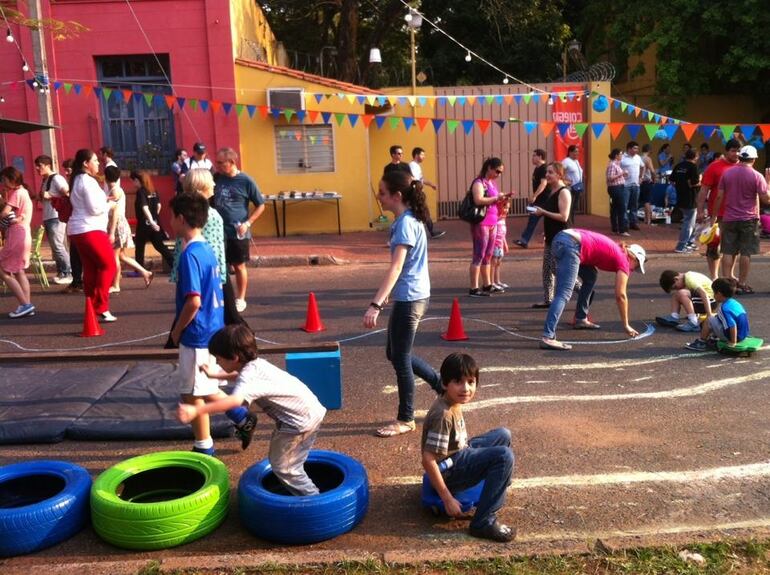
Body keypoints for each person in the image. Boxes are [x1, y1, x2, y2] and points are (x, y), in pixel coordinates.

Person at [178, 324, 326, 495]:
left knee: (284, 467)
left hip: (298, 423)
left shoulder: (249, 376)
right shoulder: (256, 364)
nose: (217, 362)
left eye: (218, 359)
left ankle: (313, 498)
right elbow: (238, 376)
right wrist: (215, 375)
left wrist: (197, 411)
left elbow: (234, 401)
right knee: (285, 460)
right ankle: (304, 482)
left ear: (233, 358)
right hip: (310, 411)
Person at [168, 193, 248, 456]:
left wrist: (176, 332)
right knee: (200, 389)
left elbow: (193, 301)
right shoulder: (207, 249)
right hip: (211, 329)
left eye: (172, 217)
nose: (170, 222)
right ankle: (241, 416)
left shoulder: (190, 254)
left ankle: (204, 448)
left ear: (181, 219)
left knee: (192, 395)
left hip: (197, 334)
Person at [363, 169, 442, 438]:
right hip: (412, 294)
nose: (379, 197)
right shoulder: (408, 220)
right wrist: (385, 298)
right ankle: (439, 384)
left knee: (400, 358)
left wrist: (375, 304)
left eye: (383, 193)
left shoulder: (407, 223)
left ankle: (406, 418)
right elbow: (402, 267)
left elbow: (396, 268)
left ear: (397, 196)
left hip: (411, 297)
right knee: (396, 354)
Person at [421, 352, 515, 542]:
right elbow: (428, 459)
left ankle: (499, 481)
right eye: (458, 381)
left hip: (459, 452)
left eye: (471, 382)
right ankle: (483, 522)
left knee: (503, 434)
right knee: (504, 456)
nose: (466, 388)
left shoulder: (451, 400)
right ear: (446, 383)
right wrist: (447, 498)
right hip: (451, 472)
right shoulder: (444, 415)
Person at [540, 229, 646, 351]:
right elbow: (621, 295)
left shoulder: (618, 250)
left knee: (590, 276)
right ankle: (548, 336)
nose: (632, 270)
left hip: (562, 238)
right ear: (633, 257)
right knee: (564, 293)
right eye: (636, 266)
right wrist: (626, 325)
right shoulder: (624, 260)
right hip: (571, 245)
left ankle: (581, 318)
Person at [171, 168, 246, 327]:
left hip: (210, 269)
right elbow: (192, 242)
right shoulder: (202, 212)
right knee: (227, 314)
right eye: (209, 181)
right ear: (201, 185)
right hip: (208, 270)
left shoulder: (202, 210)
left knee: (223, 313)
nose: (213, 184)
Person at [67, 149, 118, 322]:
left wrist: (105, 200)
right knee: (108, 266)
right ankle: (101, 306)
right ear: (85, 163)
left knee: (90, 268)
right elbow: (95, 209)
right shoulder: (87, 181)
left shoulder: (77, 180)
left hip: (79, 230)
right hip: (90, 228)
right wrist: (110, 203)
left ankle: (91, 303)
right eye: (95, 160)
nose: (98, 163)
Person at [213, 147, 265, 313]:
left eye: (221, 163)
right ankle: (221, 296)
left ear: (232, 162)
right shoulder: (218, 178)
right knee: (219, 265)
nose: (218, 165)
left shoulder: (246, 181)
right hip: (217, 231)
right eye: (217, 162)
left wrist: (248, 223)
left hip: (237, 231)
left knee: (239, 265)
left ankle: (241, 298)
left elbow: (261, 205)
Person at [712, 145, 770, 294]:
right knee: (746, 252)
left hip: (729, 217)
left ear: (740, 157)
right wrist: (768, 186)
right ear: (754, 159)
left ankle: (727, 284)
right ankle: (742, 283)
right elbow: (766, 199)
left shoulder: (727, 173)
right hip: (749, 219)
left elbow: (719, 196)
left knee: (728, 251)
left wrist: (714, 216)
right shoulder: (757, 176)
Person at [696, 139, 740, 279]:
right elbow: (703, 190)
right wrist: (700, 210)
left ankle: (730, 275)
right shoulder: (714, 167)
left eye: (738, 151)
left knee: (733, 248)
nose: (736, 154)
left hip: (737, 214)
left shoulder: (744, 167)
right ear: (727, 151)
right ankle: (714, 276)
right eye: (733, 150)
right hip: (717, 214)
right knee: (714, 246)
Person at [104, 166, 153, 293]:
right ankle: (145, 272)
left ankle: (116, 284)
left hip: (117, 224)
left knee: (115, 256)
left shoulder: (114, 191)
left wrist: (111, 232)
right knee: (121, 255)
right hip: (119, 223)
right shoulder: (115, 190)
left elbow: (114, 212)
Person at [531, 162, 572, 309]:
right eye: (547, 172)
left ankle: (583, 288)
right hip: (551, 236)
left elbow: (564, 217)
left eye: (550, 172)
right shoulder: (551, 191)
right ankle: (548, 299)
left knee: (557, 269)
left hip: (562, 238)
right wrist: (545, 230)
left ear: (559, 174)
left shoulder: (563, 192)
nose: (547, 175)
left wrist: (543, 212)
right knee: (547, 269)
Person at [468, 158, 510, 296]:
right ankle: (474, 288)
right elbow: (478, 200)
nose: (499, 174)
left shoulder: (492, 183)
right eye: (497, 171)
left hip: (493, 221)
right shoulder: (479, 182)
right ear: (489, 168)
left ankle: (487, 284)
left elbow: (493, 201)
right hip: (481, 223)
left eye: (501, 172)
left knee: (488, 255)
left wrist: (502, 200)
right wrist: (496, 198)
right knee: (479, 254)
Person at [0, 167, 35, 318]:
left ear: (11, 179)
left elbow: (5, 212)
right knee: (19, 271)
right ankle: (26, 304)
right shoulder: (24, 192)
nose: (3, 183)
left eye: (4, 180)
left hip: (16, 235)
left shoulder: (16, 193)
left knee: (4, 270)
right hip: (24, 234)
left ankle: (25, 304)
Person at [33, 155, 72, 284]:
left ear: (48, 165)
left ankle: (68, 273)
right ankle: (61, 272)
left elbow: (66, 193)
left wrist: (51, 195)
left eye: (40, 166)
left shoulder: (56, 178)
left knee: (58, 246)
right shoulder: (45, 180)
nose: (38, 168)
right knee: (55, 247)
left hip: (56, 216)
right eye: (37, 166)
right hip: (49, 216)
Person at [685, 278, 749, 352]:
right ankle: (713, 339)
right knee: (717, 317)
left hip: (734, 337)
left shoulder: (724, 309)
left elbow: (732, 325)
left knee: (709, 319)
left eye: (713, 293)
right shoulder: (735, 303)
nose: (713, 295)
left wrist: (733, 342)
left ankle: (701, 343)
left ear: (719, 294)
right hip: (743, 334)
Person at [131, 170, 174, 271]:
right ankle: (174, 264)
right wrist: (154, 219)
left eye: (134, 180)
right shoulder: (153, 190)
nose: (133, 183)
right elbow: (159, 206)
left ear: (138, 180)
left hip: (144, 224)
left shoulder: (141, 191)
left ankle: (139, 269)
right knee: (160, 246)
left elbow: (144, 207)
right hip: (154, 223)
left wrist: (150, 220)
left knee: (140, 246)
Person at [408, 147, 445, 239]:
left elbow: (421, 180)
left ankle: (426, 232)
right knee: (424, 212)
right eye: (422, 154)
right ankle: (431, 232)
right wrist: (418, 192)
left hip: (418, 192)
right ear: (416, 155)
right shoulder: (413, 165)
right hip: (416, 193)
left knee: (420, 212)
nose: (424, 157)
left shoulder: (416, 166)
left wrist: (431, 184)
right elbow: (415, 180)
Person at [515, 149, 547, 248]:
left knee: (546, 221)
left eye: (534, 156)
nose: (532, 158)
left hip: (545, 200)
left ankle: (525, 240)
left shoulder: (544, 168)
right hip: (538, 200)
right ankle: (524, 240)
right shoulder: (537, 168)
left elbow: (543, 184)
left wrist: (534, 196)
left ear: (540, 157)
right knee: (532, 219)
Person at [60, 159, 83, 293]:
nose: (67, 173)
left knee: (76, 254)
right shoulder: (74, 182)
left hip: (80, 225)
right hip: (75, 224)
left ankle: (78, 282)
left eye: (68, 170)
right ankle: (77, 281)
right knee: (75, 254)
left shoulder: (79, 183)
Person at [671, 149, 700, 253]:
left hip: (680, 197)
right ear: (696, 157)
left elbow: (672, 180)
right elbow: (693, 183)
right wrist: (701, 181)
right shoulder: (693, 167)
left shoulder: (679, 166)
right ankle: (681, 246)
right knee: (688, 223)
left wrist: (680, 186)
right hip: (690, 198)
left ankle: (689, 243)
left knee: (691, 222)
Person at [620, 141, 645, 231]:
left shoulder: (638, 158)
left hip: (636, 184)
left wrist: (641, 177)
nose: (637, 150)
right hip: (625, 185)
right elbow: (616, 167)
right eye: (635, 148)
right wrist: (621, 174)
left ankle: (633, 222)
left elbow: (643, 166)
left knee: (634, 205)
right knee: (625, 205)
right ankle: (625, 224)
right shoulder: (622, 157)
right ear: (629, 149)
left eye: (637, 148)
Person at [606, 148, 628, 236]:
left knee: (615, 208)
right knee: (621, 208)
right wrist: (622, 173)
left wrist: (623, 175)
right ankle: (621, 230)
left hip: (618, 187)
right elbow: (610, 177)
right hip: (616, 188)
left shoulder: (616, 165)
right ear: (616, 156)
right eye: (621, 154)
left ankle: (615, 228)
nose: (622, 156)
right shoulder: (612, 165)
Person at [490, 195, 510, 291]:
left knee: (498, 264)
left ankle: (497, 281)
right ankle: (491, 282)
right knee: (493, 264)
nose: (506, 210)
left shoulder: (503, 219)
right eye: (504, 207)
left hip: (500, 245)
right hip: (495, 245)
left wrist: (505, 244)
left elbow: (503, 234)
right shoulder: (496, 219)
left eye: (507, 208)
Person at [560, 144, 583, 225]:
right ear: (570, 152)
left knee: (574, 207)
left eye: (578, 152)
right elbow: (559, 172)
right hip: (571, 188)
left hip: (578, 187)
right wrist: (565, 180)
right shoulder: (566, 161)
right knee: (569, 207)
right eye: (575, 152)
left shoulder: (576, 161)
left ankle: (570, 223)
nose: (577, 154)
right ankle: (567, 224)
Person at [639, 144, 656, 226]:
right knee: (647, 201)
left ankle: (643, 219)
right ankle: (648, 220)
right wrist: (654, 179)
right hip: (646, 181)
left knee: (641, 201)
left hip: (639, 181)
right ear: (649, 150)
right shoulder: (647, 159)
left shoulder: (638, 157)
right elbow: (652, 171)